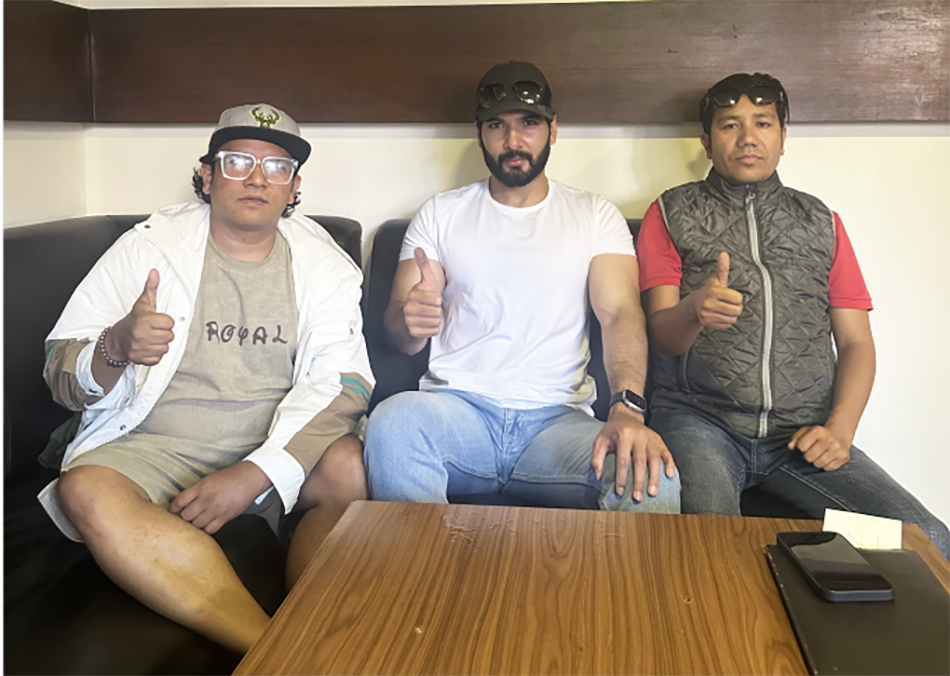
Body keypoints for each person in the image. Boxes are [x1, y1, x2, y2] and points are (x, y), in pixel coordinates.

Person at [40, 103, 375, 652]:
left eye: (276, 167)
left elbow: (345, 386)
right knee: (85, 489)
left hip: (270, 443)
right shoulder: (149, 246)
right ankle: (278, 654)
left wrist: (254, 473)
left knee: (348, 468)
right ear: (208, 175)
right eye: (238, 161)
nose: (257, 178)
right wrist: (115, 346)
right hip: (154, 445)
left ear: (294, 188)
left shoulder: (325, 265)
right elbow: (60, 369)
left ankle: (312, 634)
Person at [636, 73, 949, 558]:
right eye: (730, 125)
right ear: (706, 141)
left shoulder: (822, 223)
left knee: (927, 539)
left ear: (783, 137)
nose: (747, 137)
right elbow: (660, 337)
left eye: (763, 123)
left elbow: (856, 343)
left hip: (800, 435)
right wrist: (694, 310)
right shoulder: (670, 212)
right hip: (699, 422)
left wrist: (840, 429)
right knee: (713, 546)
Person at [363, 61, 680, 511]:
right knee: (392, 423)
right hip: (458, 413)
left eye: (528, 123)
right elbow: (400, 333)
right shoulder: (440, 213)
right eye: (497, 125)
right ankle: (428, 560)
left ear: (553, 130)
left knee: (652, 477)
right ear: (480, 135)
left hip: (558, 426)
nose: (513, 141)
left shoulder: (594, 215)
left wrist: (627, 409)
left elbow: (619, 315)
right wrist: (410, 320)